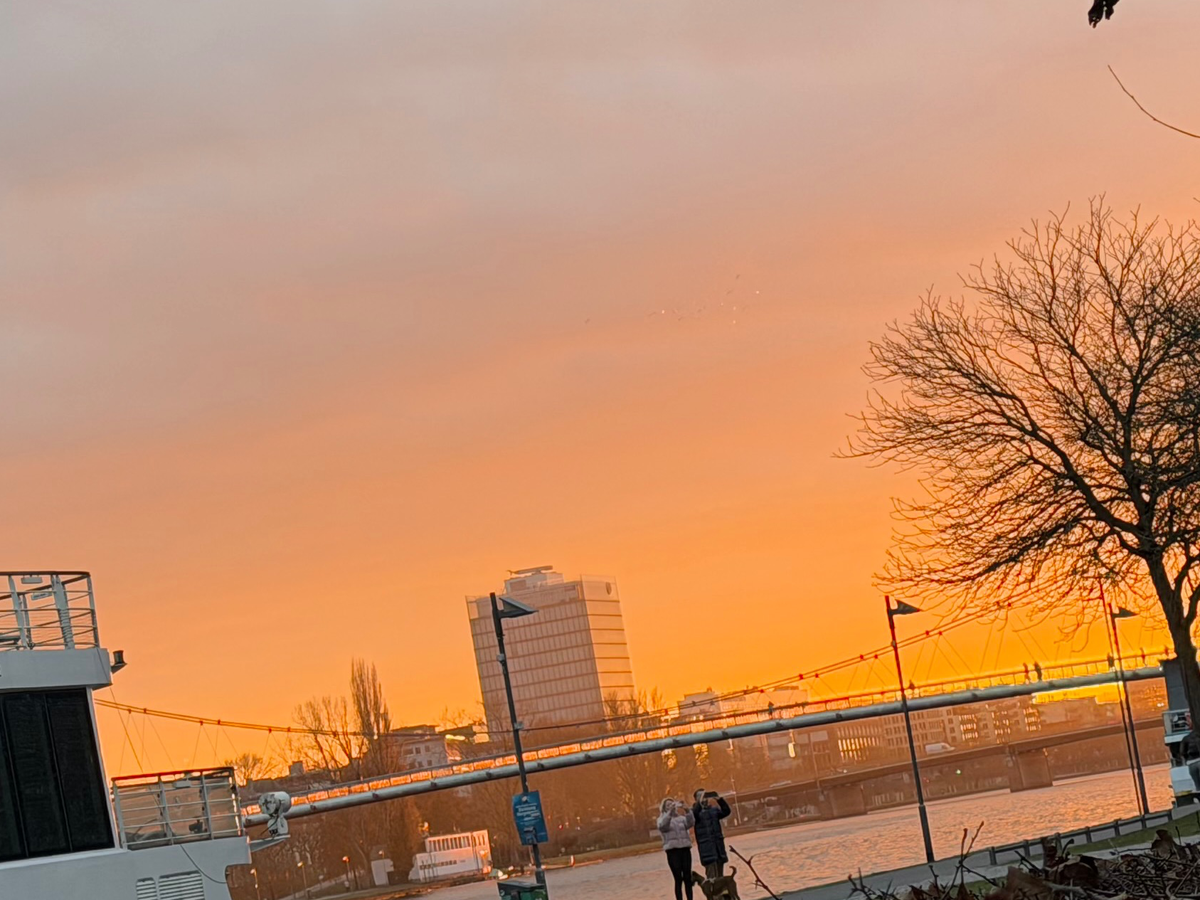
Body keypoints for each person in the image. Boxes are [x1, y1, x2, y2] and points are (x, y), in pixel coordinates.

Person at [657, 797, 695, 900]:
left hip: (685, 850)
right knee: (678, 878)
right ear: (664, 808)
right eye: (668, 805)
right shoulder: (661, 819)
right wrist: (669, 813)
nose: (671, 806)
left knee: (687, 877)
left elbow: (691, 823)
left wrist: (687, 810)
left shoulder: (681, 818)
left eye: (672, 804)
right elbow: (663, 826)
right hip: (673, 852)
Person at [692, 788, 732, 880]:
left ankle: (721, 889)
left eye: (704, 795)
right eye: (700, 796)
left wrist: (720, 800)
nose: (704, 798)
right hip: (707, 850)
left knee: (721, 879)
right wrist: (699, 803)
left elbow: (726, 812)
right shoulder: (694, 813)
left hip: (718, 849)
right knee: (712, 879)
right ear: (696, 799)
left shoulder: (713, 810)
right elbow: (694, 815)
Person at [1181, 724, 1200, 791]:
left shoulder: (1186, 738)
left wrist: (1187, 759)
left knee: (1197, 785)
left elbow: (1182, 752)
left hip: (1191, 763)